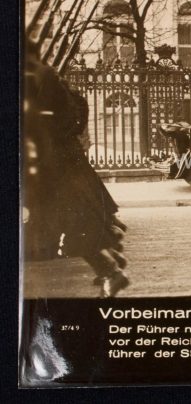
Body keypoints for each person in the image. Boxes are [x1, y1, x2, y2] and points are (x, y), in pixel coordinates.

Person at [24, 41, 129, 298]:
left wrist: (51, 143)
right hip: (53, 160)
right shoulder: (40, 75)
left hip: (53, 163)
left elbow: (57, 117)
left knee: (68, 221)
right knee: (68, 221)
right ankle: (110, 260)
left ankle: (110, 269)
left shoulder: (40, 76)